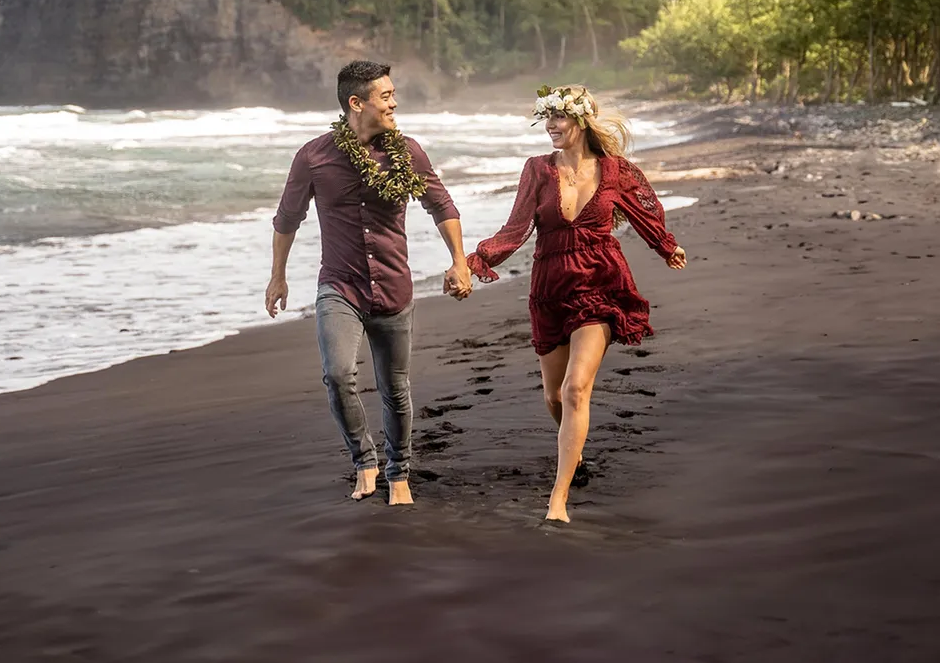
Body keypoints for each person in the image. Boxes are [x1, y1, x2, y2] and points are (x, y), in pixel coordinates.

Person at [467, 85, 686, 523]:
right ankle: (576, 456)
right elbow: (515, 229)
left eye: (559, 118)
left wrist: (666, 246)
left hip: (601, 282)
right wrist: (476, 260)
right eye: (546, 119)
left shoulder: (614, 169)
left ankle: (558, 500)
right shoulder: (536, 170)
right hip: (550, 288)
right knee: (554, 395)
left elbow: (645, 209)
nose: (550, 126)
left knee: (574, 389)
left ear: (581, 121)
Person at [266, 60, 472, 505]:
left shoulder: (408, 152)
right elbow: (287, 218)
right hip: (340, 287)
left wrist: (459, 261)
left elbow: (442, 205)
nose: (395, 102)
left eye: (394, 94)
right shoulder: (314, 156)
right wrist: (277, 276)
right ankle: (364, 461)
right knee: (338, 374)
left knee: (395, 387)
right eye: (386, 96)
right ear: (356, 103)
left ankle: (399, 472)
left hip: (395, 288)